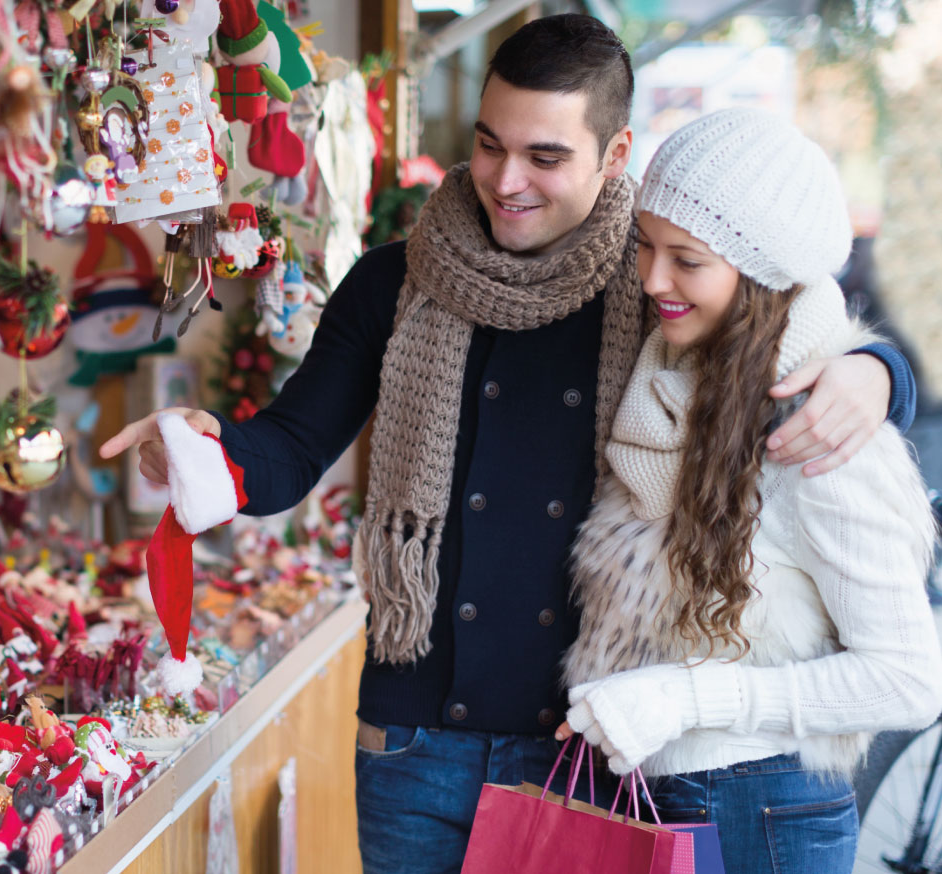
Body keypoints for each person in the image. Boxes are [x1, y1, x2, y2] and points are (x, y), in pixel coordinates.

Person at [99, 14, 920, 874]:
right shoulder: (395, 280)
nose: (505, 180)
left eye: (546, 157)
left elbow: (786, 323)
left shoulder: (654, 287)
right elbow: (290, 450)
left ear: (615, 153)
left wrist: (878, 372)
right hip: (415, 743)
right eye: (490, 145)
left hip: (586, 751)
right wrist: (212, 452)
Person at [553, 108, 942, 873]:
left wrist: (685, 698)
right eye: (646, 246)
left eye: (686, 259)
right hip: (669, 794)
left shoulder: (816, 429)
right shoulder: (674, 378)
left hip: (760, 811)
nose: (652, 279)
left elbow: (910, 680)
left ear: (761, 272)